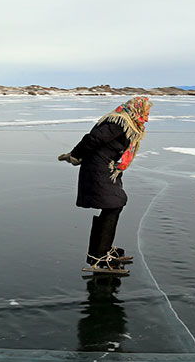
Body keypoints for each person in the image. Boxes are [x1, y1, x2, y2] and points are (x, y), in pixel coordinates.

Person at [58, 96, 153, 272]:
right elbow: (92, 139)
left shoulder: (127, 123)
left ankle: (101, 250)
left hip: (106, 167)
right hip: (98, 168)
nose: (147, 119)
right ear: (137, 110)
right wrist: (75, 155)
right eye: (145, 114)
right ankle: (99, 254)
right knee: (113, 205)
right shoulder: (119, 123)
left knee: (114, 204)